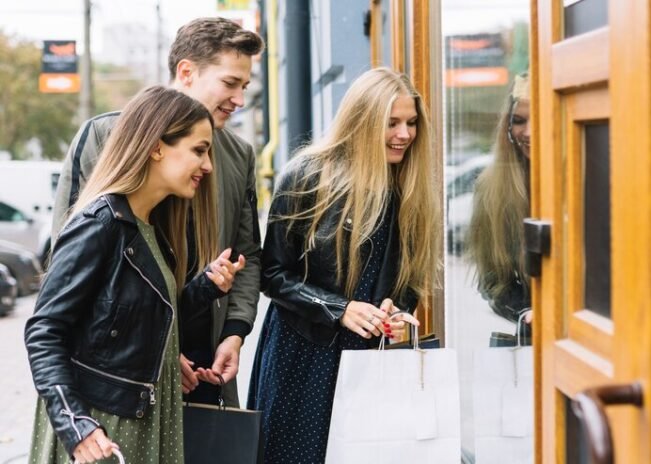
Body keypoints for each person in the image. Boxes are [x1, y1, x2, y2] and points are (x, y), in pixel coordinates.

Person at [50, 17, 265, 406]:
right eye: (230, 83)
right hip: (122, 368)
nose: (239, 99)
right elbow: (67, 266)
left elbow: (246, 255)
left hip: (208, 366)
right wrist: (158, 350)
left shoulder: (240, 155)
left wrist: (235, 333)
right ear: (186, 71)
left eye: (245, 86)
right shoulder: (102, 137)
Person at [25, 86, 242, 464]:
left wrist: (204, 288)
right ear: (157, 146)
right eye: (199, 150)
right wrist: (76, 425)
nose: (208, 166)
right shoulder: (100, 224)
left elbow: (140, 317)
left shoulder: (150, 228)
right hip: (102, 429)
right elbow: (44, 332)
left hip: (141, 419)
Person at [247, 67, 439, 463]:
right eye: (392, 123)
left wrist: (396, 309)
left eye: (411, 123)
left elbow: (411, 275)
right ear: (363, 120)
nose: (405, 134)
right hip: (303, 353)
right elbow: (273, 274)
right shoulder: (307, 176)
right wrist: (340, 309)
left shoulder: (408, 185)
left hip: (370, 354)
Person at [467, 73, 532, 331]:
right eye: (518, 121)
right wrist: (525, 311)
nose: (528, 132)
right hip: (533, 335)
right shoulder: (492, 188)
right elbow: (493, 279)